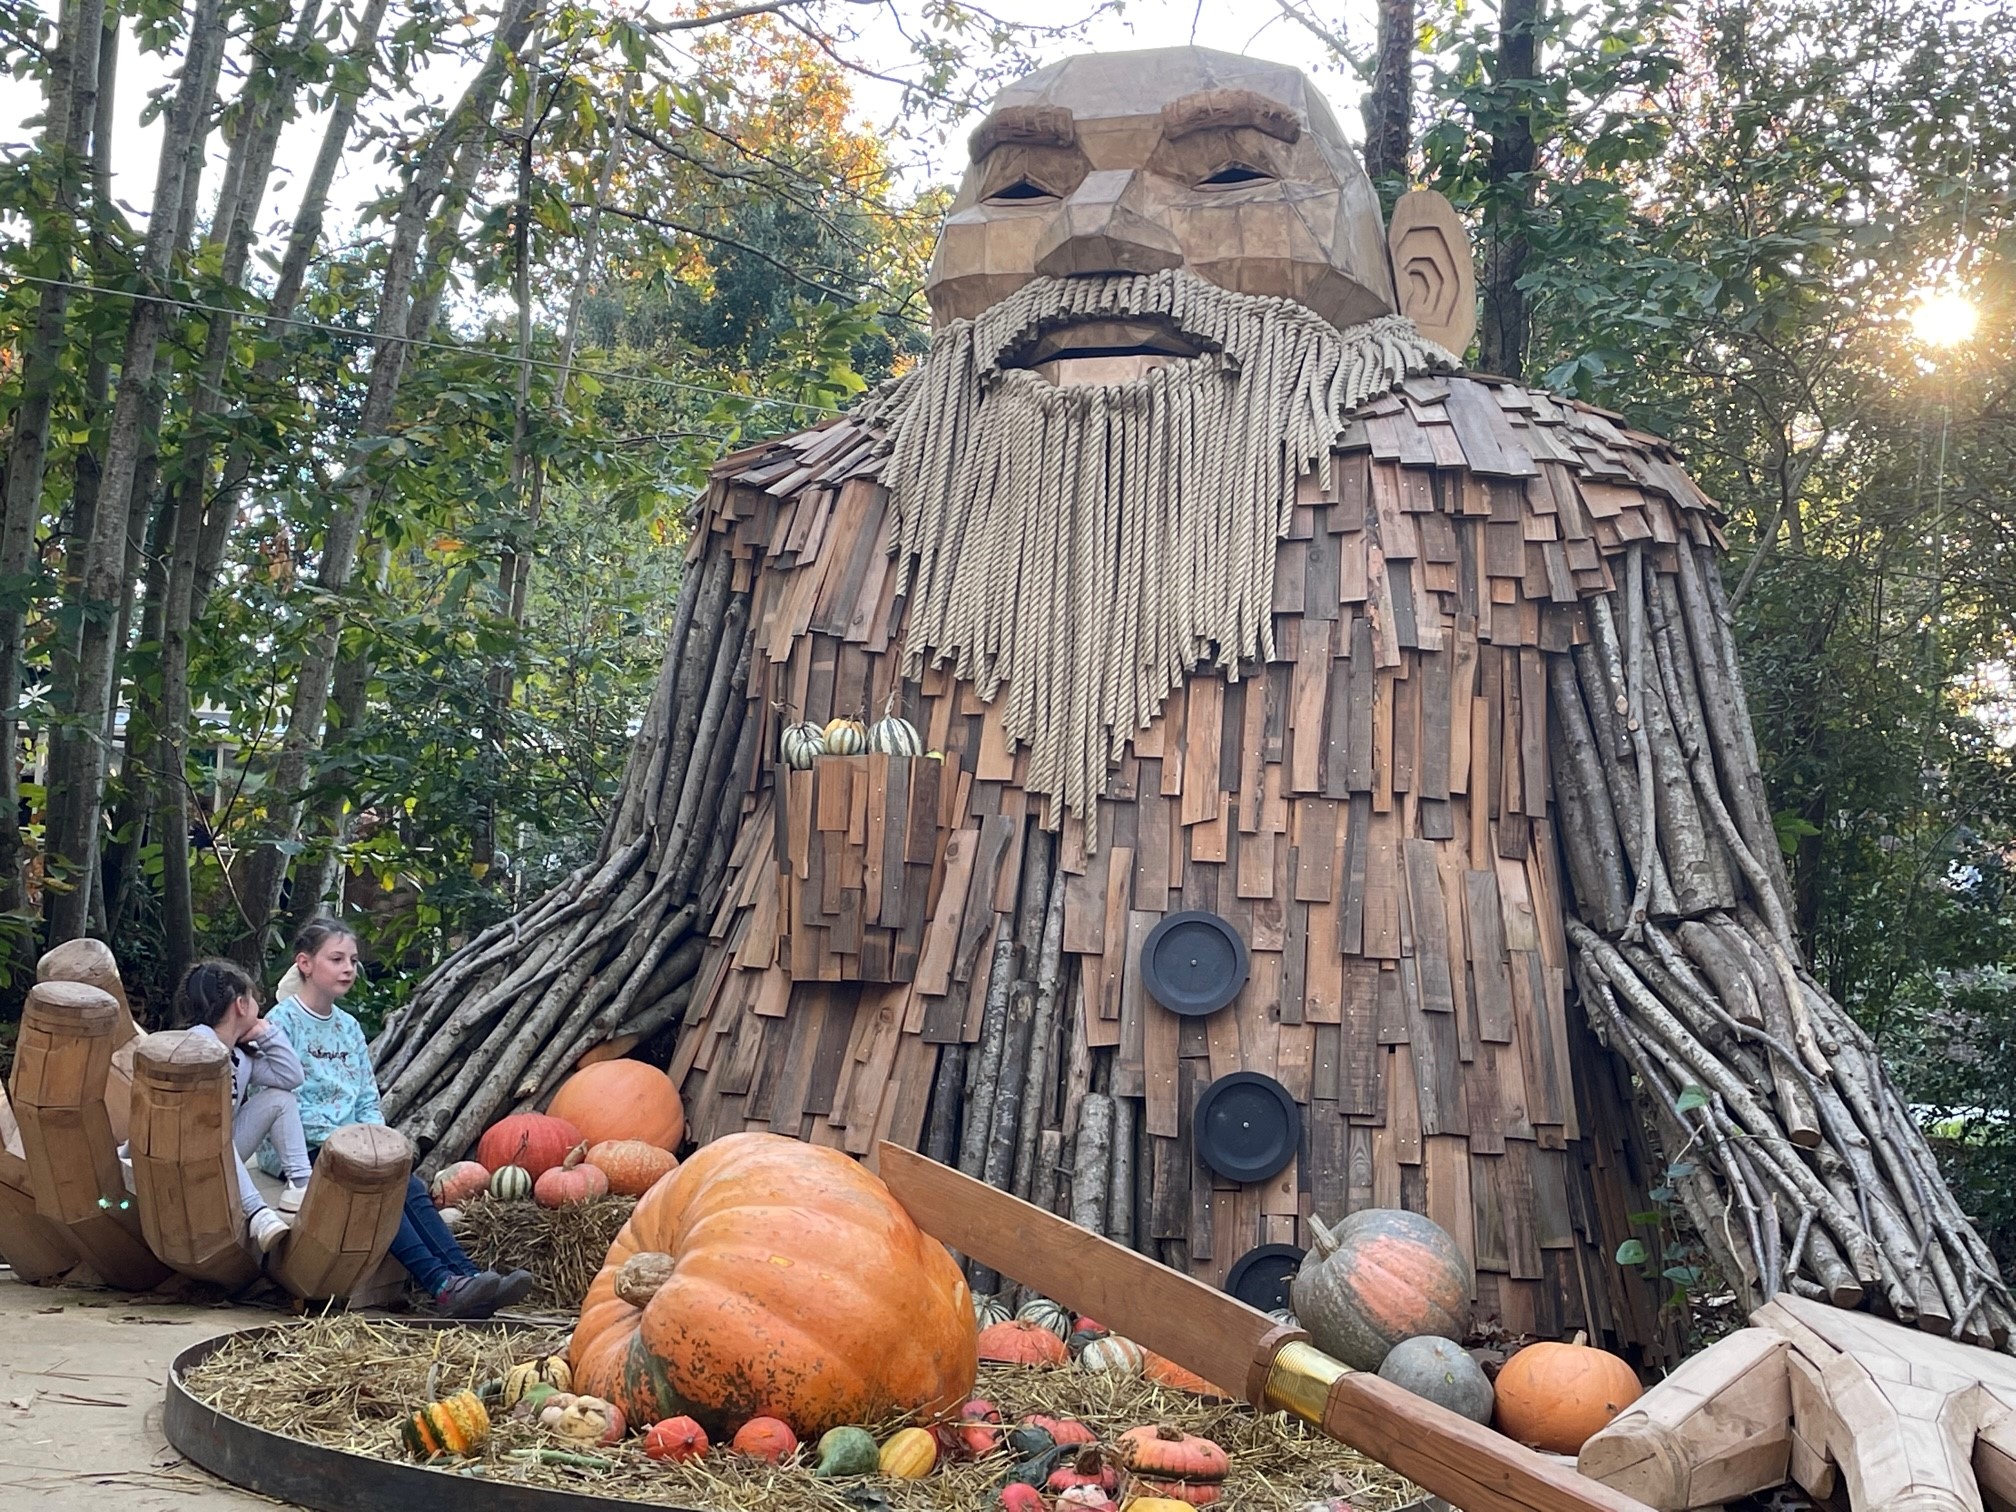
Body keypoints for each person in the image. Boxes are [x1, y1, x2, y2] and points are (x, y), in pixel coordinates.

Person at [265, 917, 535, 1318]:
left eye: (353, 960)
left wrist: (377, 1142)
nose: (348, 968)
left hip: (354, 1144)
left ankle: (469, 1278)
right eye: (336, 959)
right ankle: (443, 1287)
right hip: (300, 1147)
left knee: (406, 1181)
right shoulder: (280, 1022)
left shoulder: (349, 1028)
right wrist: (347, 1145)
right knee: (377, 1188)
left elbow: (366, 1097)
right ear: (305, 963)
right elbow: (276, 1096)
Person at [174, 959, 310, 1256]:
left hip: (222, 1154)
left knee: (280, 1099)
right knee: (214, 1130)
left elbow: (290, 1078)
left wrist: (266, 1032)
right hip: (185, 1153)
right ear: (240, 1004)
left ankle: (301, 1184)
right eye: (255, 1000)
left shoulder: (241, 1056)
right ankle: (257, 1212)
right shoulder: (197, 1041)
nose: (259, 1008)